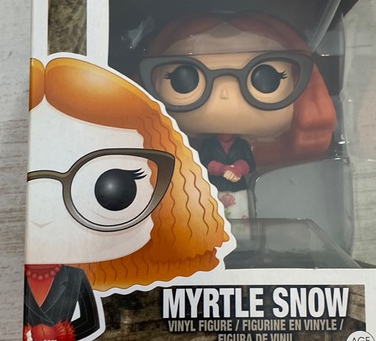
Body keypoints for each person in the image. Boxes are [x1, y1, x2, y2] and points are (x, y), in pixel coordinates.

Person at [24, 56, 229, 341]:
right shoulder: (28, 273)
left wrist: (59, 334)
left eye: (115, 187)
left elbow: (91, 323)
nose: (44, 218)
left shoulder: (81, 279)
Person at [140, 12, 336, 217]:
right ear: (153, 81)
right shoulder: (208, 146)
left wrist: (239, 169)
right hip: (210, 188)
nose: (225, 94)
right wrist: (220, 169)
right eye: (183, 79)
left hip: (239, 188)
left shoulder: (243, 146)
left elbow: (248, 162)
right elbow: (205, 162)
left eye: (267, 78)